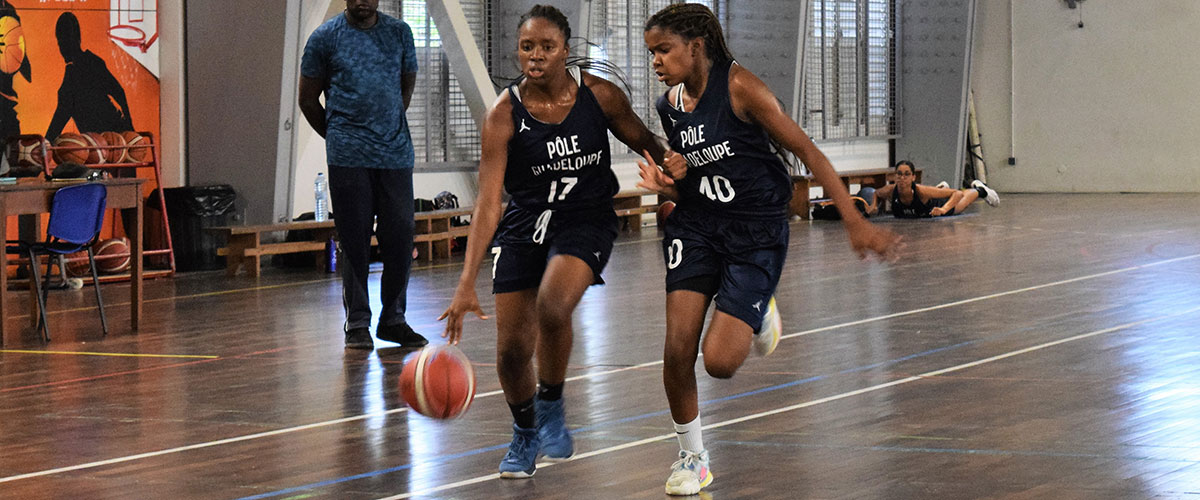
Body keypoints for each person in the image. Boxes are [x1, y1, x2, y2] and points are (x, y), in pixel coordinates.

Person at [636, 4, 903, 495]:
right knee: (677, 349)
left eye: (664, 50)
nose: (655, 60)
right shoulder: (669, 105)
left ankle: (759, 313)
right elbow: (700, 176)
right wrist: (669, 184)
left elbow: (808, 152)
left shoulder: (742, 88)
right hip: (697, 227)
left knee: (718, 363)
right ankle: (692, 457)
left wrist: (854, 220)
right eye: (650, 51)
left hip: (755, 234)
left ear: (696, 47)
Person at [439, 5, 669, 479]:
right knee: (511, 351)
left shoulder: (599, 96)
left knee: (553, 304)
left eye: (546, 47)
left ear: (566, 49)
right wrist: (466, 282)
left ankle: (551, 403)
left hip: (585, 217)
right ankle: (524, 432)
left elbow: (646, 140)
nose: (536, 55)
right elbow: (487, 203)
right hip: (525, 223)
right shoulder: (503, 114)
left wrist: (685, 169)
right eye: (527, 47)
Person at [298, 0, 427, 350]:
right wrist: (340, 135)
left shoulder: (400, 33)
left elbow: (407, 86)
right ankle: (357, 322)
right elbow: (307, 100)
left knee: (400, 235)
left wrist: (384, 127)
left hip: (395, 154)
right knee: (354, 238)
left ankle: (393, 320)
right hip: (347, 156)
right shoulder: (324, 38)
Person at [45, 12, 134, 141]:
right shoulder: (84, 66)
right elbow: (118, 91)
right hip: (101, 141)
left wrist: (130, 128)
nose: (63, 46)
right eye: (61, 42)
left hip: (111, 138)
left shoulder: (90, 64)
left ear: (77, 39)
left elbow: (62, 114)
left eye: (66, 40)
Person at [865, 160, 1000, 218]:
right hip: (930, 201)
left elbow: (957, 193)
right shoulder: (890, 190)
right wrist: (873, 206)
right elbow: (876, 193)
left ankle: (980, 189)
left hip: (940, 206)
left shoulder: (921, 191)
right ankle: (941, 189)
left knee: (962, 202)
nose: (902, 178)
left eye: (906, 174)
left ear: (913, 177)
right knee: (941, 193)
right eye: (899, 174)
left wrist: (943, 209)